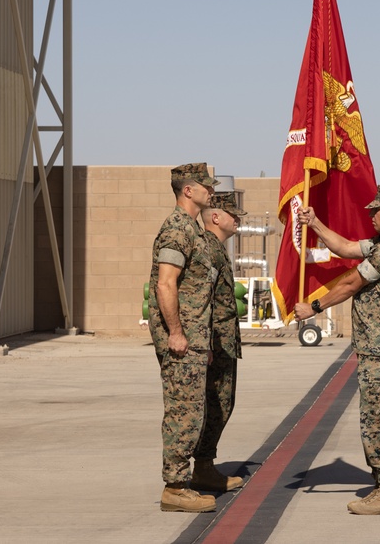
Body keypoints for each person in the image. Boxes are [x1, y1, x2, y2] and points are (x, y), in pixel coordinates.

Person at [293, 185, 380, 516]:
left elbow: (352, 282)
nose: (370, 216)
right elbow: (348, 248)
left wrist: (315, 306)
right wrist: (316, 223)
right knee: (373, 418)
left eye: (375, 211)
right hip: (379, 349)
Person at [148, 162, 219, 513]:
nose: (212, 191)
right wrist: (176, 333)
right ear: (188, 190)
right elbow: (166, 283)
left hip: (194, 338)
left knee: (193, 410)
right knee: (183, 412)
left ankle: (182, 481)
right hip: (182, 338)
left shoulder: (193, 229)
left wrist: (200, 341)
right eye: (206, 186)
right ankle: (175, 487)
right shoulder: (177, 229)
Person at [192, 191, 246, 493]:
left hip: (223, 343)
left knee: (222, 405)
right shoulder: (209, 250)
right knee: (215, 406)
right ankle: (200, 468)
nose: (237, 220)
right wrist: (208, 344)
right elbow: (203, 300)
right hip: (214, 344)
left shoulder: (217, 249)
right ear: (215, 217)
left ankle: (204, 467)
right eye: (232, 215)